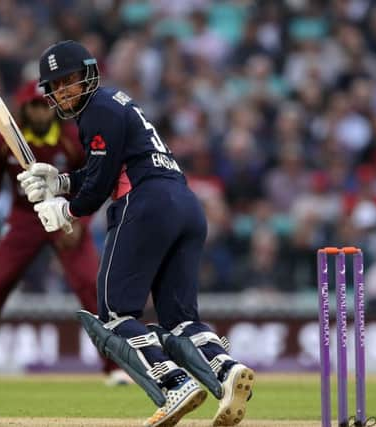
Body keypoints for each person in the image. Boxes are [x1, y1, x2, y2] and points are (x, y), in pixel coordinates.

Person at [17, 40, 255, 427]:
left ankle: (174, 382)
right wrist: (58, 181)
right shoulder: (114, 105)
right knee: (180, 318)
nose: (63, 92)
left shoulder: (97, 111)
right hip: (184, 205)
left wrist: (66, 210)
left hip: (146, 205)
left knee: (114, 312)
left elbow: (98, 187)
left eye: (70, 81)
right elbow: (104, 170)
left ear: (88, 76)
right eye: (56, 86)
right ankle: (227, 372)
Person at [0, 80, 122, 386]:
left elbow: (95, 182)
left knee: (90, 287)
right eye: (34, 105)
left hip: (65, 213)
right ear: (24, 108)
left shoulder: (71, 137)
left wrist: (80, 222)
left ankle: (115, 367)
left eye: (45, 105)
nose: (41, 111)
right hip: (24, 218)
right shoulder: (3, 141)